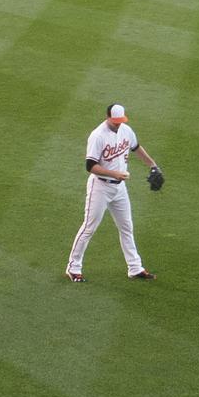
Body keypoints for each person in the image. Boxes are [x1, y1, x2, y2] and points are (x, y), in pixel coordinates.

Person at [65, 103, 160, 282]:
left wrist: (153, 165)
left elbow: (136, 147)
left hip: (119, 188)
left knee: (127, 227)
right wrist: (114, 173)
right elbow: (90, 166)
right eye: (115, 121)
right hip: (100, 187)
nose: (118, 124)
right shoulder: (97, 136)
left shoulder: (126, 130)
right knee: (89, 227)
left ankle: (135, 268)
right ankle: (73, 267)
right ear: (108, 117)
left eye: (120, 121)